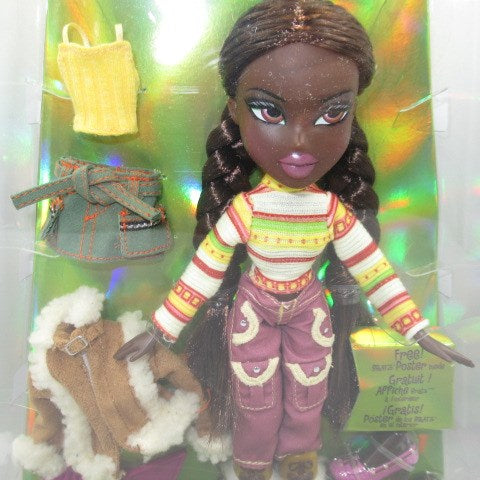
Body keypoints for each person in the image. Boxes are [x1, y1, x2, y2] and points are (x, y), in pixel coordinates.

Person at [116, 2, 473, 479]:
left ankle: (299, 457)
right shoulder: (246, 210)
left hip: (309, 306)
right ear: (235, 111)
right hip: (254, 308)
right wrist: (161, 329)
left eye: (332, 113)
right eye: (270, 110)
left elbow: (373, 269)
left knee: (310, 388)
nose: (300, 141)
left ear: (352, 114)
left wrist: (415, 328)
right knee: (254, 391)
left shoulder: (329, 212)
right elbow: (205, 270)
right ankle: (253, 462)